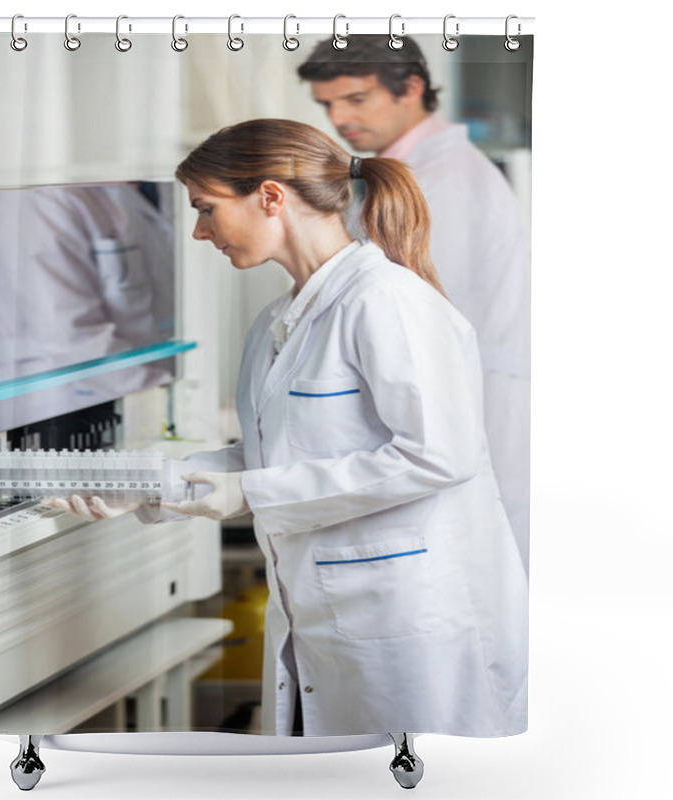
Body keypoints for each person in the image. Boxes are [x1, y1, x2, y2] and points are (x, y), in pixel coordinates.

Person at [58, 118, 527, 740]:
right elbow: (273, 454)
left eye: (206, 208)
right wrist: (152, 484)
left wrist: (251, 494)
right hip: (326, 615)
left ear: (271, 196)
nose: (200, 231)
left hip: (415, 617)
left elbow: (440, 454)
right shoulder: (277, 321)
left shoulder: (385, 301)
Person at [297, 36, 531, 574]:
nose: (339, 118)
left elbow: (395, 311)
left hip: (470, 419)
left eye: (356, 99)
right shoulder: (412, 173)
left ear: (414, 89)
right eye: (327, 104)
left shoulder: (440, 182)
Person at [0, 182, 176, 428]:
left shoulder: (147, 185)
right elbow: (68, 335)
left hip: (138, 393)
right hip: (68, 402)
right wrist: (171, 399)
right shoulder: (35, 198)